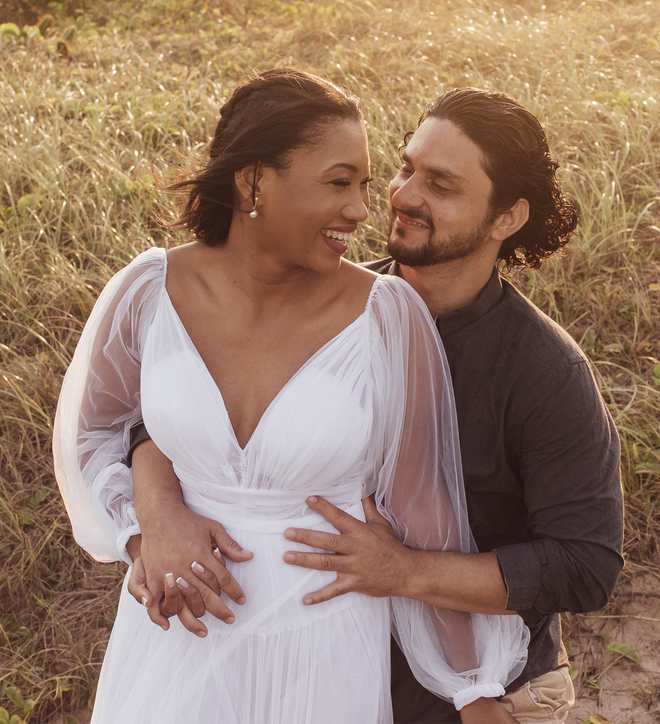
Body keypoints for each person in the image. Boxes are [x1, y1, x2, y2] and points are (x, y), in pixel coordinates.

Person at [128, 88, 624, 723]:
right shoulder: (329, 306)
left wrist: (407, 571)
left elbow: (584, 565)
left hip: (483, 699)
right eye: (405, 167)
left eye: (441, 184)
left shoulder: (545, 373)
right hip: (312, 676)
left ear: (506, 218)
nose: (403, 195)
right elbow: (171, 409)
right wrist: (158, 514)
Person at [52, 69, 529, 724]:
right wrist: (144, 534)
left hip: (323, 647)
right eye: (339, 182)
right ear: (253, 183)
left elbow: (422, 510)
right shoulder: (148, 290)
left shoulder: (388, 315)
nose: (364, 209)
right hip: (175, 640)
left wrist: (472, 686)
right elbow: (98, 435)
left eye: (365, 184)